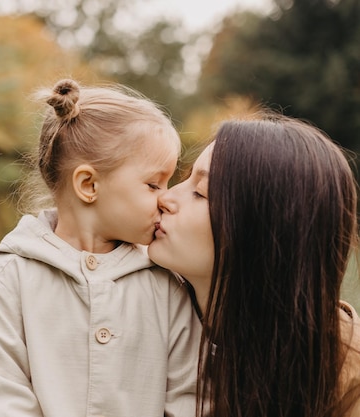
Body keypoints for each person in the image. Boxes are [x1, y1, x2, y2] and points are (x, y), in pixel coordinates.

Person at [0, 78, 201, 417]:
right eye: (154, 184)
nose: (167, 197)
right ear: (88, 184)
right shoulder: (7, 280)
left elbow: (189, 396)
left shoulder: (168, 288)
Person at [148, 114, 360, 417]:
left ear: (261, 230)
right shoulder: (141, 301)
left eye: (200, 192)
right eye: (185, 179)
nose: (166, 198)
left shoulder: (344, 372)